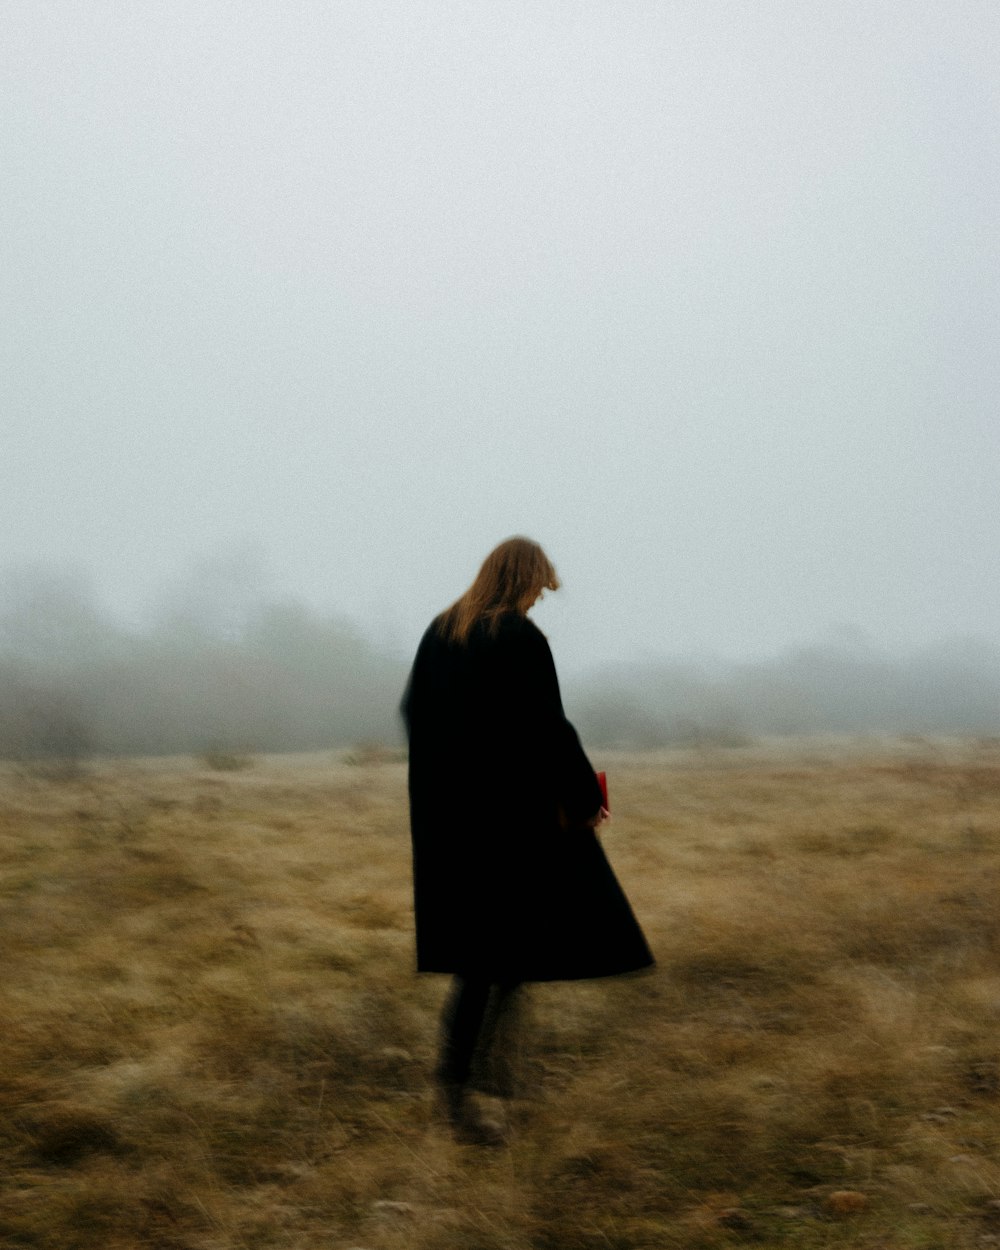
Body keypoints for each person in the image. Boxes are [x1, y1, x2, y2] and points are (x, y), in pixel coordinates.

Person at [400, 536, 653, 1144]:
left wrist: (451, 780)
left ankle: (491, 1079)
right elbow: (548, 727)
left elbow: (416, 714)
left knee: (500, 954)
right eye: (539, 587)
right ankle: (461, 1095)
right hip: (512, 822)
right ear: (521, 579)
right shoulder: (516, 636)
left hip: (453, 823)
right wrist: (586, 800)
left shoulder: (442, 632)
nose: (541, 600)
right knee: (492, 960)